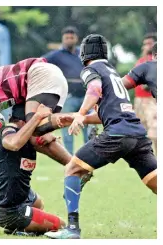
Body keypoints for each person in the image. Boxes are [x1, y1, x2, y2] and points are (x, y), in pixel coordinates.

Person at [45, 34, 157, 239]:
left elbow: (94, 90)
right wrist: (82, 118)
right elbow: (110, 112)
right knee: (155, 182)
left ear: (86, 52)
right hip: (136, 135)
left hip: (117, 135)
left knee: (72, 168)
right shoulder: (112, 71)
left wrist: (80, 113)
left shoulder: (91, 69)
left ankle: (72, 229)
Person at [0, 104, 66, 234]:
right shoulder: (10, 133)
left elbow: (58, 153)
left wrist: (51, 137)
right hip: (9, 210)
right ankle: (14, 227)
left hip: (16, 196)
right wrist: (37, 117)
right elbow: (13, 143)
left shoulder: (29, 136)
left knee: (38, 204)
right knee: (61, 225)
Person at [42, 26, 91, 155]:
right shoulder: (56, 55)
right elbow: (40, 64)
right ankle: (68, 158)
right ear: (63, 39)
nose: (69, 40)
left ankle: (87, 157)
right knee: (66, 127)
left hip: (86, 97)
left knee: (89, 127)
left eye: (72, 37)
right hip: (68, 97)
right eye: (67, 37)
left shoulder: (83, 54)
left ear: (76, 38)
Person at [131, 33, 157, 155]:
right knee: (140, 131)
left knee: (155, 130)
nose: (146, 47)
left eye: (149, 44)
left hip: (152, 100)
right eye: (145, 44)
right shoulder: (141, 61)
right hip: (139, 100)